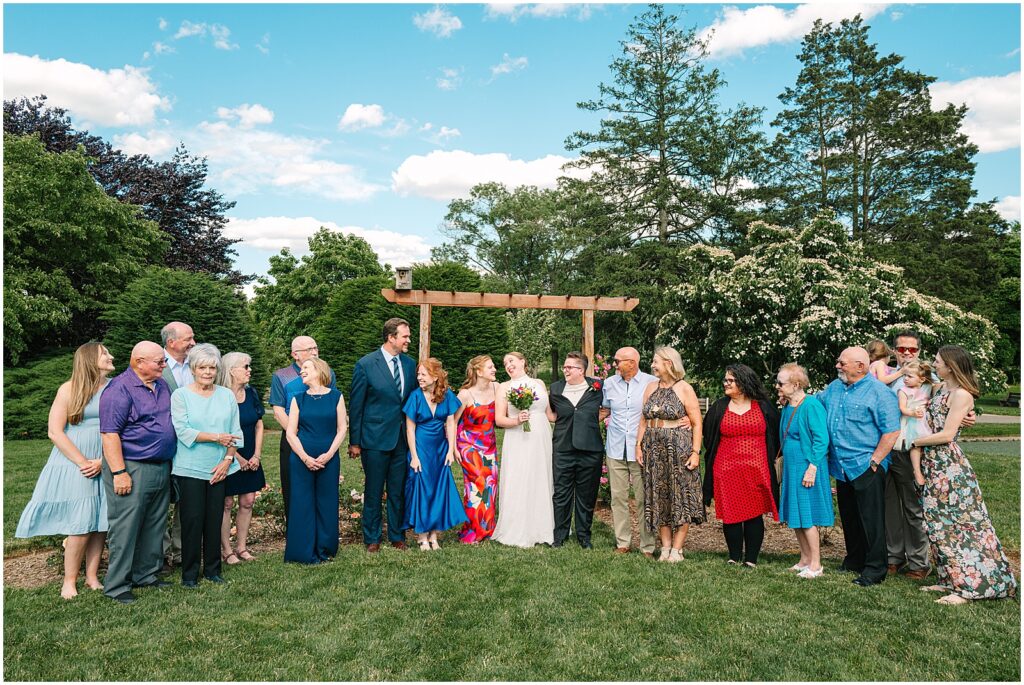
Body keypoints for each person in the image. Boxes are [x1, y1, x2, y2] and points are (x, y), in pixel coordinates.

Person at [911, 345, 1017, 605]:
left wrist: (915, 442)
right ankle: (950, 579)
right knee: (937, 525)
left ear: (951, 365)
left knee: (961, 525)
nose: (934, 365)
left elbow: (947, 435)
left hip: (948, 465)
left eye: (938, 362)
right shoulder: (940, 388)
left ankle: (972, 587)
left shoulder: (961, 394)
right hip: (931, 462)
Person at [16, 342, 114, 599]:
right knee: (81, 522)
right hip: (74, 460)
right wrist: (83, 461)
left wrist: (103, 461)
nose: (111, 356)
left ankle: (92, 576)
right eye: (105, 354)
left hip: (105, 456)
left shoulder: (114, 388)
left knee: (100, 520)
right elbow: (54, 431)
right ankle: (69, 581)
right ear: (90, 359)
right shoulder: (69, 389)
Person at [99, 341, 178, 604]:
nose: (164, 365)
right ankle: (117, 585)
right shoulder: (119, 389)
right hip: (132, 466)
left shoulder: (162, 385)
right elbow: (110, 434)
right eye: (159, 362)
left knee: (155, 524)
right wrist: (119, 472)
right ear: (139, 361)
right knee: (126, 526)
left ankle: (146, 575)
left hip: (161, 466)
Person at [816, 346, 901, 587]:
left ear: (860, 366)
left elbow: (892, 430)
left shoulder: (879, 393)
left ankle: (875, 569)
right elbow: (815, 404)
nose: (837, 366)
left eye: (842, 363)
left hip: (866, 465)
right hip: (841, 466)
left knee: (871, 520)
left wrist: (875, 461)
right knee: (850, 517)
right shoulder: (834, 388)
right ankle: (854, 559)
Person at [170, 343, 242, 587]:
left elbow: (235, 433)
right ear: (193, 369)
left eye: (212, 367)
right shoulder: (181, 395)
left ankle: (213, 570)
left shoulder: (226, 395)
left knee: (214, 520)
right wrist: (215, 437)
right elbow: (183, 431)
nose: (208, 372)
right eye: (203, 367)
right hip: (190, 467)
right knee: (192, 520)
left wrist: (227, 459)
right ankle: (189, 574)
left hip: (219, 467)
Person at [347, 318, 417, 553]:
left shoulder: (409, 365)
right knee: (374, 490)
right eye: (405, 336)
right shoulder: (366, 364)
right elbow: (356, 405)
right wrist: (355, 441)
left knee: (397, 490)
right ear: (391, 337)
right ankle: (372, 538)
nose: (408, 340)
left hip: (401, 439)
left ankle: (397, 535)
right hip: (374, 439)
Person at [702, 363, 780, 568]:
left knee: (754, 513)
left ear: (743, 383)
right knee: (731, 512)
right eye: (725, 380)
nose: (725, 383)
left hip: (757, 469)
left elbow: (776, 434)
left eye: (730, 380)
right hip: (726, 469)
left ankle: (751, 559)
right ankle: (734, 555)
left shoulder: (762, 406)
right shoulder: (719, 407)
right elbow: (708, 436)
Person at [635, 346, 705, 563]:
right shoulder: (650, 387)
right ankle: (665, 547)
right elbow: (643, 420)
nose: (653, 365)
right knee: (660, 496)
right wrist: (639, 446)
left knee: (681, 496)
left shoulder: (684, 388)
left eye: (656, 361)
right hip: (654, 449)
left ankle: (677, 549)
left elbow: (696, 422)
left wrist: (695, 452)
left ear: (669, 363)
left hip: (678, 448)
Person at [284, 358, 347, 564]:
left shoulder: (337, 397)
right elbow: (291, 433)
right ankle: (302, 551)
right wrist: (304, 457)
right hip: (302, 458)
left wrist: (329, 455)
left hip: (328, 457)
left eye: (306, 368)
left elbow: (342, 429)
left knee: (327, 502)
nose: (301, 371)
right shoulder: (297, 399)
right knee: (302, 502)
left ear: (319, 370)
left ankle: (325, 548)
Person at [269, 335, 336, 528]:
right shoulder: (282, 376)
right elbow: (278, 411)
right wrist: (297, 432)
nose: (315, 352)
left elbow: (331, 402)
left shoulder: (327, 372)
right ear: (295, 354)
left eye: (316, 347)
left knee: (322, 486)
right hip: (293, 438)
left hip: (321, 436)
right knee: (294, 486)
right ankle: (296, 530)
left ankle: (321, 528)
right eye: (309, 349)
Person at [403, 358, 469, 549]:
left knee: (439, 489)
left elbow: (450, 423)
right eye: (418, 374)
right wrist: (414, 456)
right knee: (423, 488)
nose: (419, 377)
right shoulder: (415, 396)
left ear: (435, 376)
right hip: (421, 447)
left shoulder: (446, 395)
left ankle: (434, 535)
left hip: (440, 448)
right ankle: (422, 535)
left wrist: (450, 450)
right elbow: (410, 429)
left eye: (423, 374)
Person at [775, 363, 832, 579]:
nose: (777, 386)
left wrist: (813, 467)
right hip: (792, 466)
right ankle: (804, 559)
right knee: (796, 515)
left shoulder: (811, 406)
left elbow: (821, 439)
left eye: (781, 383)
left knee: (807, 515)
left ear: (796, 384)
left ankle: (816, 564)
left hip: (807, 465)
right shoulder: (788, 406)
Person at [492, 352, 554, 548]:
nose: (508, 365)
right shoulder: (504, 387)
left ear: (522, 361)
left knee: (540, 476)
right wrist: (517, 420)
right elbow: (499, 419)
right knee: (520, 477)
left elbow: (551, 415)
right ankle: (518, 528)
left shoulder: (539, 384)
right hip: (518, 437)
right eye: (505, 363)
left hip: (541, 436)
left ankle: (542, 527)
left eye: (511, 361)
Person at [600, 346, 658, 557]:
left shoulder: (651, 382)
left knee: (644, 498)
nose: (614, 364)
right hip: (615, 449)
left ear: (632, 363)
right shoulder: (609, 384)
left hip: (642, 451)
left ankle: (647, 546)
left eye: (618, 361)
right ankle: (623, 542)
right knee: (618, 498)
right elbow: (604, 409)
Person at [546, 352, 605, 549]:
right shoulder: (555, 389)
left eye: (569, 367)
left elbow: (608, 408)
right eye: (564, 366)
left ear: (581, 370)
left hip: (590, 450)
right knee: (561, 493)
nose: (565, 370)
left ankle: (584, 536)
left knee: (586, 495)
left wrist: (589, 423)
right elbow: (552, 414)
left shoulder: (597, 387)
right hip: (563, 448)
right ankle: (559, 536)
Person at [217, 352, 265, 564]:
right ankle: (226, 550)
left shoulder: (251, 393)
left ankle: (242, 547)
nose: (249, 370)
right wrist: (237, 457)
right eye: (245, 366)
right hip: (228, 455)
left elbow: (259, 424)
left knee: (248, 501)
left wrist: (256, 454)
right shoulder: (219, 396)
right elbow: (218, 430)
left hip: (250, 454)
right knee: (226, 502)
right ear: (231, 370)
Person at [160, 321, 195, 571]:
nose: (193, 343)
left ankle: (182, 551)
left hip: (193, 442)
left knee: (188, 497)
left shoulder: (196, 365)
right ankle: (159, 553)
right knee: (160, 498)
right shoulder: (156, 365)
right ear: (171, 342)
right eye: (188, 339)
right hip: (163, 442)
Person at [453, 355, 499, 544]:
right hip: (468, 446)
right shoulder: (465, 394)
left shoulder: (498, 388)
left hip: (489, 446)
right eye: (490, 367)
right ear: (479, 372)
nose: (495, 369)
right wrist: (453, 448)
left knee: (490, 486)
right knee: (476, 486)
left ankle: (488, 528)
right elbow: (452, 422)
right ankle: (473, 531)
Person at [894, 360, 934, 487]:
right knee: (915, 445)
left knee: (927, 445)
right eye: (904, 375)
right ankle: (916, 471)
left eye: (909, 376)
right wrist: (912, 413)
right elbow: (902, 408)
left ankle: (927, 469)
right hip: (911, 421)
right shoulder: (903, 391)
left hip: (924, 420)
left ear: (921, 379)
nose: (905, 379)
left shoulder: (927, 388)